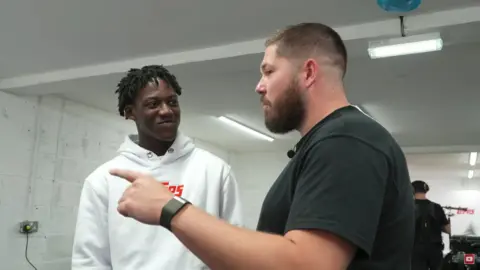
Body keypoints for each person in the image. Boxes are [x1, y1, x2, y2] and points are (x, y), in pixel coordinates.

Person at [108, 22, 415, 270]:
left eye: (269, 71)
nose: (259, 85)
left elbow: (308, 264)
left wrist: (170, 209)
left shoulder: (346, 140)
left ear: (308, 72)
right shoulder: (327, 143)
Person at [71, 65, 243, 270]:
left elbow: (236, 249)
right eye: (153, 104)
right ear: (130, 112)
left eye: (172, 102)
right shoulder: (103, 180)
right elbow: (89, 261)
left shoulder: (215, 170)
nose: (166, 111)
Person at [411, 180, 451, 270]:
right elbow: (447, 229)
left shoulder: (408, 207)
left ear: (412, 190)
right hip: (435, 248)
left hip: (415, 248)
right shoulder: (436, 207)